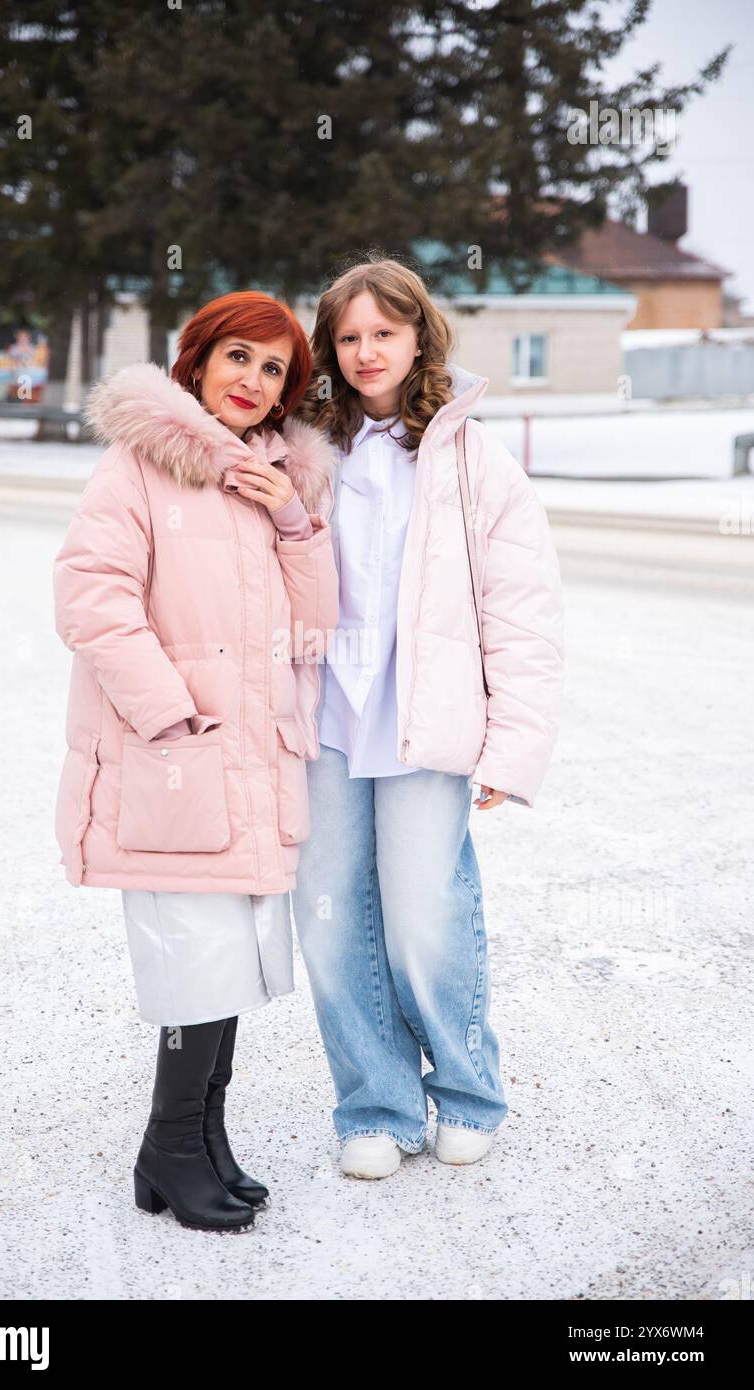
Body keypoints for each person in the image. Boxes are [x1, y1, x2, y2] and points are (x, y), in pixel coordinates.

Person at [52, 290, 339, 1230]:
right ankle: (174, 1148)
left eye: (273, 369)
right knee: (194, 963)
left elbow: (314, 633)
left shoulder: (272, 479)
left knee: (235, 967)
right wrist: (168, 716)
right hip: (176, 760)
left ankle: (195, 1144)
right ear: (198, 362)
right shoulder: (140, 465)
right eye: (238, 359)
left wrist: (295, 522)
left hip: (253, 766)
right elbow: (91, 596)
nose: (253, 382)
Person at [292, 257, 565, 1179]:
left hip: (426, 725)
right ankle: (375, 1103)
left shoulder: (471, 459)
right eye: (349, 336)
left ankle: (467, 1089)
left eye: (385, 333)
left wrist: (511, 747)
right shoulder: (301, 452)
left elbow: (522, 612)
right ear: (330, 348)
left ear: (419, 338)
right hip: (323, 723)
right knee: (330, 920)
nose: (367, 352)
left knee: (422, 916)